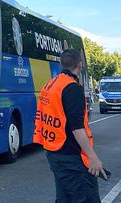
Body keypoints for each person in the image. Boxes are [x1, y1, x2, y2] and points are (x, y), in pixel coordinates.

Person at [34, 48, 106, 203]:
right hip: (71, 157)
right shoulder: (72, 88)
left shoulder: (51, 84)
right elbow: (77, 128)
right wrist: (93, 157)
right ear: (79, 65)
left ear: (61, 64)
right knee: (87, 198)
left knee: (64, 198)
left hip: (54, 151)